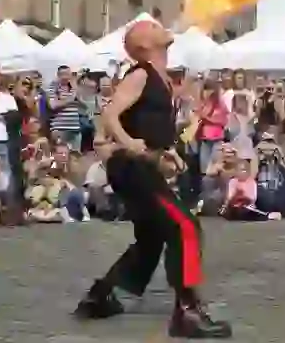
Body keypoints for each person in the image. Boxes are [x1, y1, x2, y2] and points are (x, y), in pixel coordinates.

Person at [74, 20, 231, 339]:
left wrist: (164, 154)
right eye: (153, 27)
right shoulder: (141, 73)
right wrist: (129, 143)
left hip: (140, 166)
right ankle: (187, 312)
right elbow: (109, 114)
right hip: (130, 168)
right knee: (184, 226)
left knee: (152, 237)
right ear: (144, 45)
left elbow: (148, 129)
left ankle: (100, 296)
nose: (162, 28)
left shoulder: (158, 78)